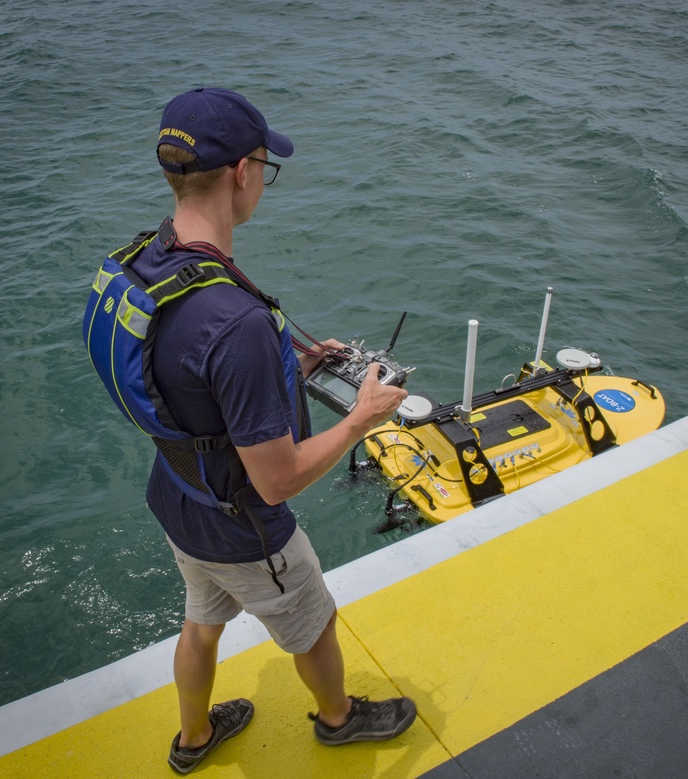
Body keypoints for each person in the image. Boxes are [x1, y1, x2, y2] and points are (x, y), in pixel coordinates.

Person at [104, 87, 416, 774]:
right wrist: (361, 419)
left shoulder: (151, 261)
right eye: (262, 165)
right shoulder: (235, 321)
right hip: (243, 523)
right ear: (243, 173)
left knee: (202, 620)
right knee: (314, 621)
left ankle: (193, 738)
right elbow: (275, 481)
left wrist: (297, 362)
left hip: (178, 495)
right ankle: (338, 719)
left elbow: (186, 373)